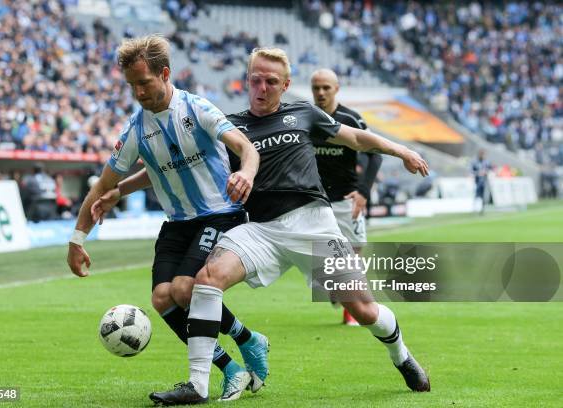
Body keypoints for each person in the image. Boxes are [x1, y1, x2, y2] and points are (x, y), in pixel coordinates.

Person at [149, 48, 431, 405]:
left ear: (285, 85)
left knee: (364, 310)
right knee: (207, 279)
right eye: (255, 80)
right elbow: (179, 162)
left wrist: (402, 151)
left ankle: (402, 356)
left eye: (271, 82)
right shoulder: (230, 126)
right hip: (261, 229)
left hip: (313, 224)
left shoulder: (303, 113)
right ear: (247, 80)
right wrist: (116, 190)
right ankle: (199, 384)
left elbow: (357, 138)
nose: (261, 88)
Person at [66, 35, 265, 402]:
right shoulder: (136, 130)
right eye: (131, 85)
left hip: (219, 214)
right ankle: (232, 366)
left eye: (144, 82)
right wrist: (77, 240)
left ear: (165, 74)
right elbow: (109, 183)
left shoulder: (197, 109)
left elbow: (245, 148)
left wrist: (247, 174)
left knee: (185, 289)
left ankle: (245, 342)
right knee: (162, 298)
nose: (138, 92)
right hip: (177, 221)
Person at [311, 68, 383, 326]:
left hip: (346, 199)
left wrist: (364, 191)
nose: (320, 92)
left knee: (353, 254)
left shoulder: (351, 119)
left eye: (326, 88)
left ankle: (350, 310)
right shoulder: (306, 119)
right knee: (326, 260)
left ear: (336, 89)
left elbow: (375, 154)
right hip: (315, 201)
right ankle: (335, 288)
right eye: (316, 88)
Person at [471, 149, 492, 213]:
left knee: (483, 195)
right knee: (477, 194)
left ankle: (482, 208)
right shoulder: (475, 162)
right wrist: (478, 173)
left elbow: (490, 169)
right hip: (477, 181)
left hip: (484, 181)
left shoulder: (487, 162)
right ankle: (475, 207)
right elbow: (471, 171)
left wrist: (486, 172)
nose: (482, 156)